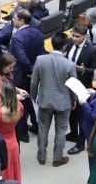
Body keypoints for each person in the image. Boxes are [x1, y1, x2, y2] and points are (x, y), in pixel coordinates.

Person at [30, 32, 76, 167]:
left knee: (43, 128)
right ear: (64, 47)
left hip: (45, 100)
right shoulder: (70, 65)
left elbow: (34, 81)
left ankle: (41, 156)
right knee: (61, 131)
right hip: (63, 102)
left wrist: (34, 96)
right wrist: (73, 100)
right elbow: (73, 86)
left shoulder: (40, 59)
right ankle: (57, 158)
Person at [8, 8, 44, 141]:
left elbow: (21, 58)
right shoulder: (38, 32)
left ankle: (23, 133)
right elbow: (41, 53)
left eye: (15, 18)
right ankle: (36, 125)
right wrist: (35, 71)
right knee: (30, 100)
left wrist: (30, 71)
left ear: (22, 21)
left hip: (20, 75)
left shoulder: (17, 37)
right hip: (32, 74)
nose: (12, 20)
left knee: (20, 102)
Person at [66, 24, 96, 154]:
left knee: (81, 116)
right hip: (69, 85)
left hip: (83, 87)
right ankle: (73, 133)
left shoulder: (91, 50)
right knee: (71, 112)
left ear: (84, 36)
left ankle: (80, 143)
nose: (74, 38)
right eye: (73, 35)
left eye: (77, 36)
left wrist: (84, 70)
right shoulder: (69, 44)